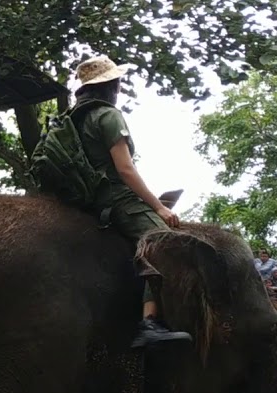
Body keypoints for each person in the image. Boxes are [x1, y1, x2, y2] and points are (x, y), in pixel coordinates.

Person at [36, 55, 190, 349]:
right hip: (116, 198)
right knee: (165, 245)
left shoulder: (71, 119)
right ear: (111, 85)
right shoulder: (108, 115)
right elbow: (125, 169)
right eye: (117, 82)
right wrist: (158, 206)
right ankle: (150, 323)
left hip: (85, 200)